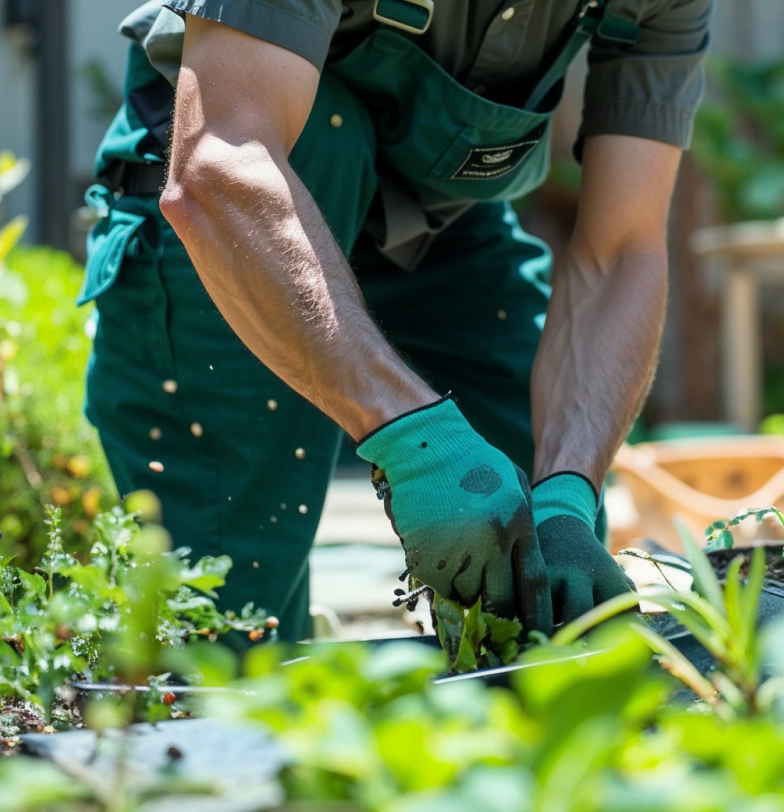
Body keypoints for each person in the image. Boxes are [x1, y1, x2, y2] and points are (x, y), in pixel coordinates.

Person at [81, 0, 712, 642]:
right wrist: (416, 442)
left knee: (551, 599)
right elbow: (221, 160)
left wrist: (570, 488)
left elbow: (621, 250)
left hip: (437, 224)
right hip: (243, 215)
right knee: (232, 638)